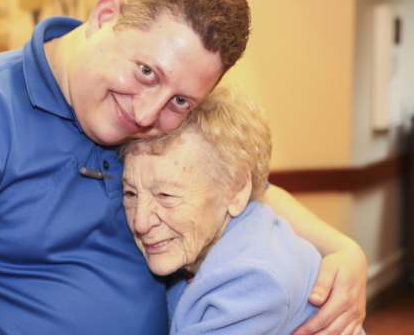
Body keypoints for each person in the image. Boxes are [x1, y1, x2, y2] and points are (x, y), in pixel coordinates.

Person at [0, 0, 366, 334]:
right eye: (146, 71)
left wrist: (344, 251)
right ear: (106, 17)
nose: (148, 114)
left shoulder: (148, 118)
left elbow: (237, 189)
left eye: (180, 101)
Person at [121, 87, 364, 334]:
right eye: (130, 193)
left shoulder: (253, 277)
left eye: (166, 195)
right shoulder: (236, 231)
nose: (140, 222)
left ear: (236, 191)